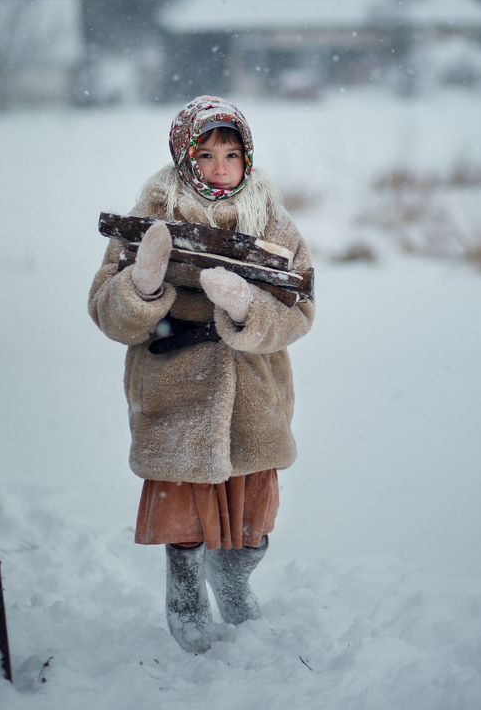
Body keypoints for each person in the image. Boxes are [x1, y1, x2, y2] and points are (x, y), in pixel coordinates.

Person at [88, 95, 314, 653]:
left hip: (254, 400)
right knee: (184, 522)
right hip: (174, 392)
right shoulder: (148, 220)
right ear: (182, 154)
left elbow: (300, 312)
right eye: (206, 153)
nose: (219, 168)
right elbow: (106, 313)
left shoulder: (274, 226)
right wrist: (141, 286)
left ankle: (233, 579)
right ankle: (186, 599)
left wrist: (245, 307)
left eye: (232, 154)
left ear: (248, 159)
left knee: (251, 527)